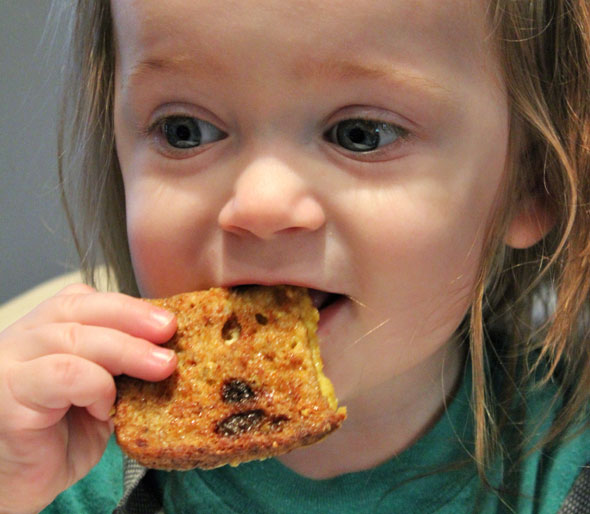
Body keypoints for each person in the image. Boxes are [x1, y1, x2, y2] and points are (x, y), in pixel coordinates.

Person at [1, 0, 589, 512]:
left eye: (362, 133)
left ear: (535, 177)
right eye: (184, 130)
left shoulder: (569, 475)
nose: (260, 204)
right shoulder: (56, 468)